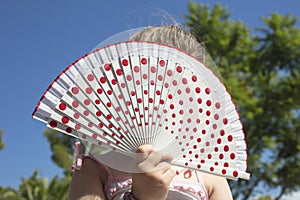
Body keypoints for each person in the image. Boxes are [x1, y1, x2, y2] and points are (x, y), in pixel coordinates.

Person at [68, 25, 233, 200]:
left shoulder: (208, 173)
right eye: (142, 87)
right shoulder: (93, 170)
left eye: (180, 92)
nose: (161, 103)